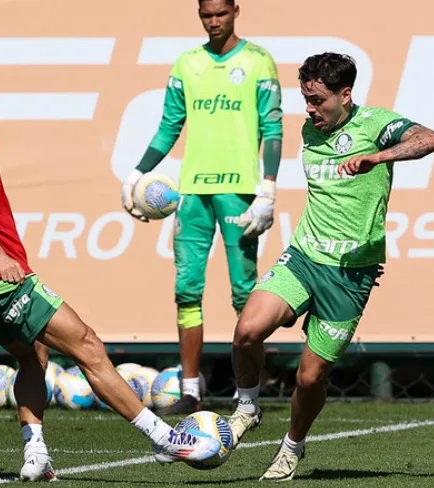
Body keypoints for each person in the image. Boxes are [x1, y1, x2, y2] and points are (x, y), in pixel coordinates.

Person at [0, 59, 221, 482]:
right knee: (88, 346)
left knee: (35, 356)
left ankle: (36, 454)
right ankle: (166, 440)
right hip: (3, 285)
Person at [226, 52, 434, 481]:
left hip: (349, 274)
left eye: (317, 99)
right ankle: (247, 406)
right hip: (304, 257)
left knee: (310, 378)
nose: (309, 109)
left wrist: (378, 159)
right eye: (305, 98)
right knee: (247, 330)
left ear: (345, 95)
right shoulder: (312, 128)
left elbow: (431, 139)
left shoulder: (377, 125)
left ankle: (292, 446)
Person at [120, 0, 284, 415]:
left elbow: (273, 128)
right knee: (186, 290)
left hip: (241, 194)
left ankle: (248, 397)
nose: (214, 22)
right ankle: (190, 391)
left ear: (235, 11)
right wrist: (137, 174)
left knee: (245, 296)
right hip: (192, 194)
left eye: (221, 14)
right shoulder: (187, 63)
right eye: (206, 15)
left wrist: (268, 188)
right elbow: (169, 125)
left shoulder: (258, 61)